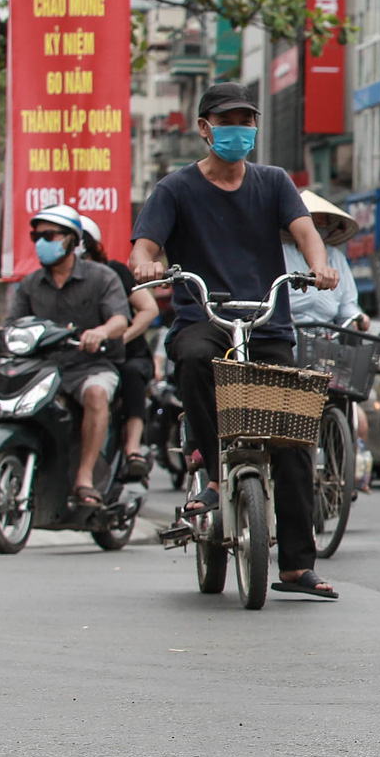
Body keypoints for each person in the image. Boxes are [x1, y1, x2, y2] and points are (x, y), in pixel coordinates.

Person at [129, 81, 343, 601]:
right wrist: (146, 262)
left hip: (265, 320)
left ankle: (295, 566)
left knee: (292, 431)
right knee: (196, 358)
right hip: (203, 315)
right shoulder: (174, 189)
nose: (239, 130)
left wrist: (318, 265)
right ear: (204, 129)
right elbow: (145, 245)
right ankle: (207, 465)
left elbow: (305, 231)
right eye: (228, 121)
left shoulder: (273, 182)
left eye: (247, 120)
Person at [0, 204, 130, 509]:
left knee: (97, 395)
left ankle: (84, 478)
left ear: (71, 239)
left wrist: (100, 332)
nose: (41, 242)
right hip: (46, 370)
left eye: (49, 235)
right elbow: (11, 326)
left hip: (91, 366)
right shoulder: (31, 283)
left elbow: (120, 320)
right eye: (36, 236)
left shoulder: (101, 277)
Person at [79, 213, 160, 482]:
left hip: (126, 354)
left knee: (131, 375)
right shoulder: (55, 281)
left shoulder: (113, 273)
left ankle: (132, 448)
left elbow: (148, 309)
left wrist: (118, 337)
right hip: (82, 357)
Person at [283, 190, 370, 330]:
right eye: (313, 221)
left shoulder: (336, 258)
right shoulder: (282, 254)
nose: (318, 226)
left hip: (325, 337)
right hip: (288, 332)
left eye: (323, 223)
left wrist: (358, 317)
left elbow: (347, 305)